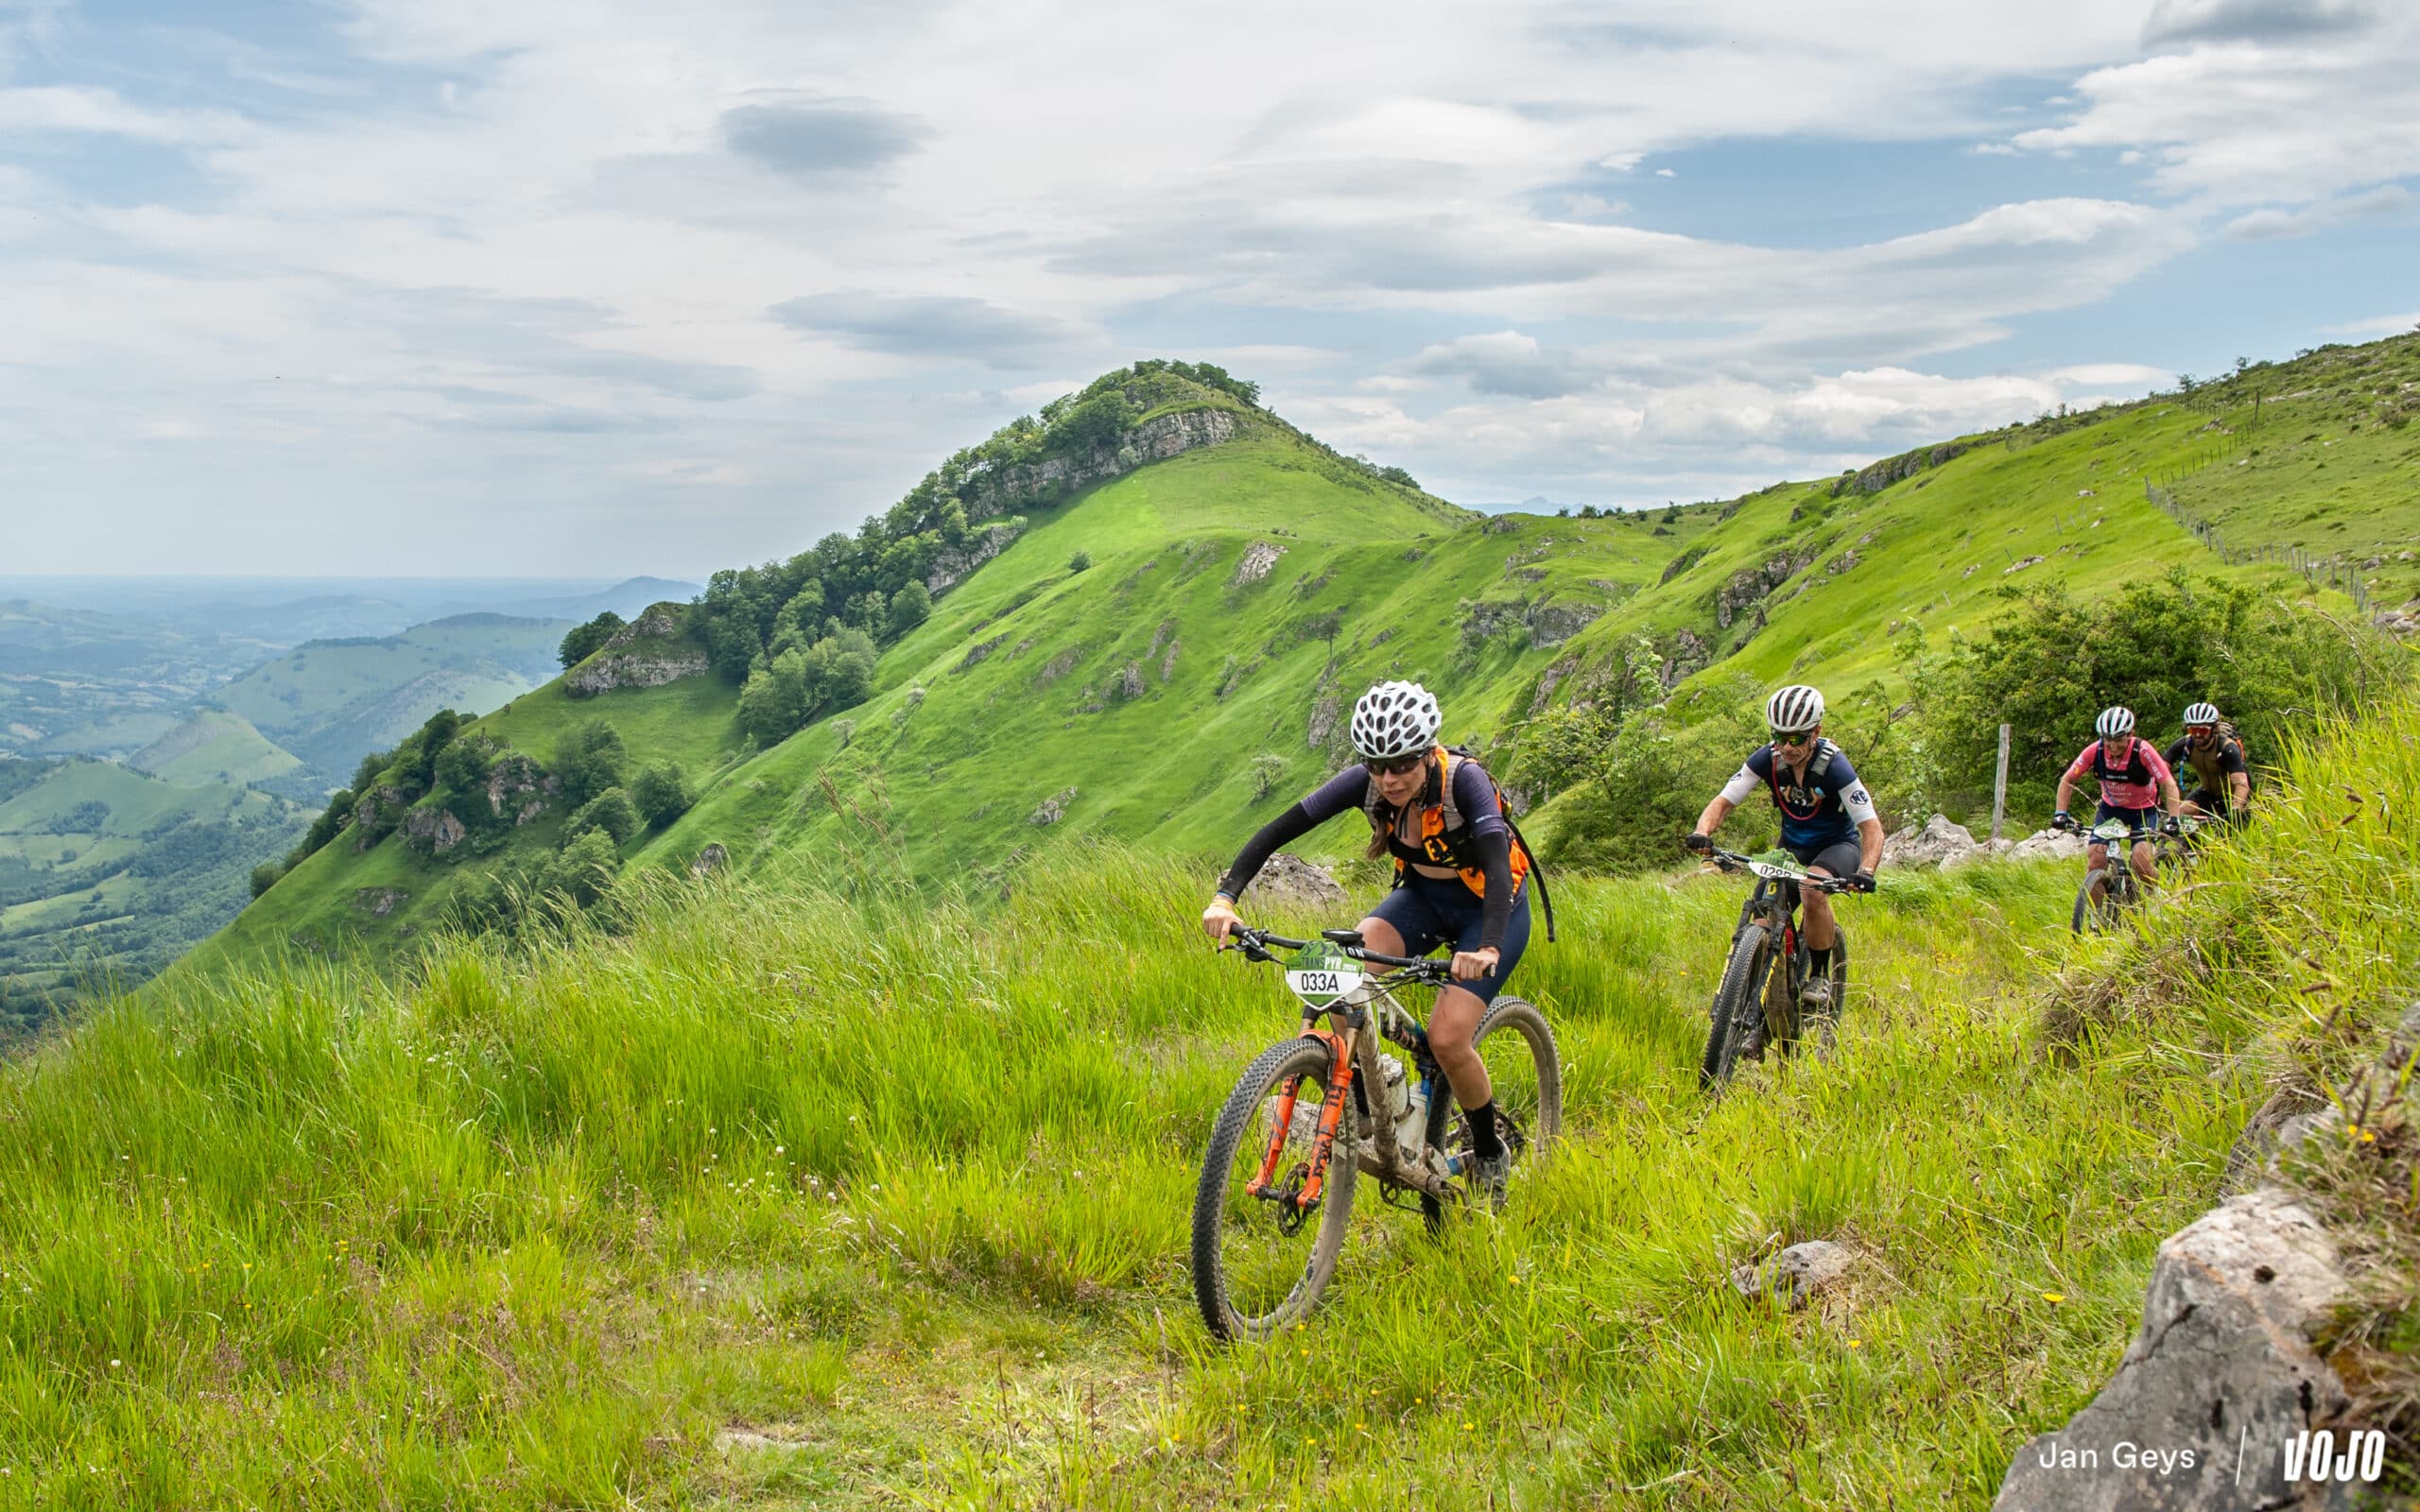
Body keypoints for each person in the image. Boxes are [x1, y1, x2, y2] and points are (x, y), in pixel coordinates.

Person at [1201, 679, 1537, 1208]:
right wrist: (1225, 897)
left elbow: (1497, 860)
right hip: (1423, 898)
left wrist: (1489, 945)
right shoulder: (1366, 783)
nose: (1389, 777)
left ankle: (1491, 1152)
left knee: (1448, 1038)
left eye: (1401, 764)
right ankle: (1367, 1098)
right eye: (1377, 764)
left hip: (1493, 910)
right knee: (1336, 974)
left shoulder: (1463, 782)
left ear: (1427, 754)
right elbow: (1280, 829)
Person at [1683, 684, 1882, 1022]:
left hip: (1836, 846)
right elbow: (1723, 802)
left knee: (1812, 889)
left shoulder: (1836, 767)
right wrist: (1703, 832)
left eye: (1797, 739)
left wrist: (1866, 870)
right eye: (1779, 736)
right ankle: (1754, 1015)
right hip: (1790, 847)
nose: (1787, 746)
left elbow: (1871, 829)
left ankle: (1819, 975)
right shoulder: (1768, 759)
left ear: (1816, 732)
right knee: (1761, 917)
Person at [2052, 706, 2185, 893]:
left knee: (2141, 862)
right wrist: (2060, 813)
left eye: (2119, 739)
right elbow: (2068, 779)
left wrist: (2173, 818)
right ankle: (2095, 920)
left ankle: (2158, 897)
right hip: (2110, 810)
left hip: (2143, 811)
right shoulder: (2095, 751)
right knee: (2095, 863)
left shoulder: (2143, 750)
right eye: (2108, 740)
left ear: (2130, 734)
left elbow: (2168, 783)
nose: (2113, 745)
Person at [2166, 701, 2251, 826]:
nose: (2198, 734)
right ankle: (2190, 844)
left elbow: (2241, 783)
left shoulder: (2227, 747)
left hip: (2235, 796)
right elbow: (2160, 767)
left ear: (2214, 729)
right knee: (2182, 812)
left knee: (2230, 835)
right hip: (2209, 792)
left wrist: (2236, 809)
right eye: (2193, 729)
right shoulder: (2186, 744)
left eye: (2203, 730)